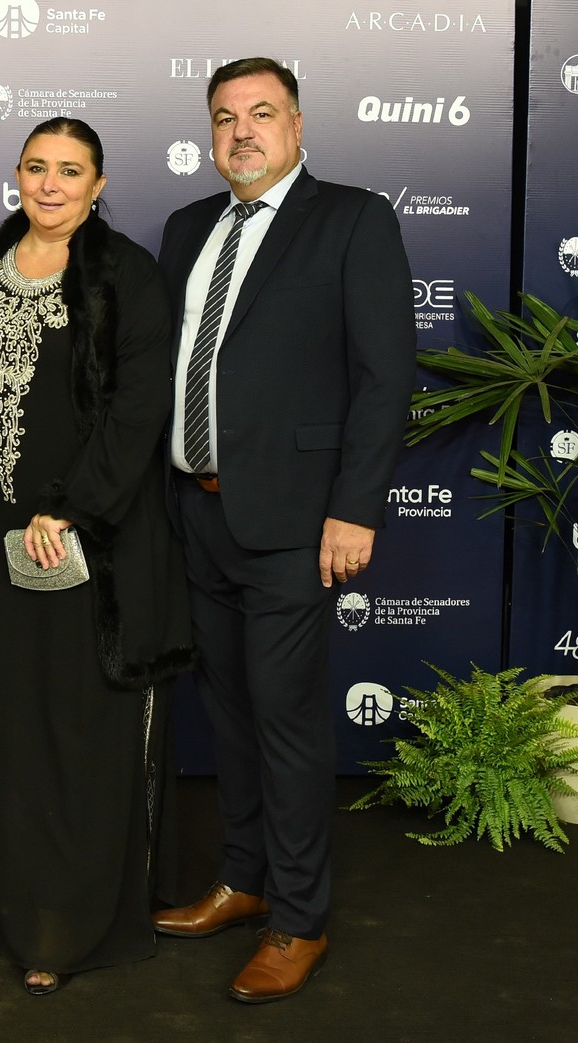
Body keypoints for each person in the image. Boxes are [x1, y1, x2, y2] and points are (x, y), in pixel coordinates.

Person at [151, 57, 416, 1003]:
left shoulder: (351, 219)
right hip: (197, 509)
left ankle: (300, 920)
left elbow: (386, 376)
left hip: (297, 525)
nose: (241, 133)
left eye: (261, 114)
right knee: (227, 714)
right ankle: (246, 879)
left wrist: (353, 507)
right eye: (224, 118)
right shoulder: (188, 228)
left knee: (288, 721)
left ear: (297, 126)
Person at [0, 117, 194, 996]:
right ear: (16, 174)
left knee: (81, 730)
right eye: (36, 167)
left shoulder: (124, 273)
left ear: (96, 184)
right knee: (9, 723)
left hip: (91, 542)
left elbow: (138, 409)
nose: (50, 185)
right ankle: (18, 901)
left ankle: (76, 919)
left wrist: (72, 506)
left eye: (71, 171)